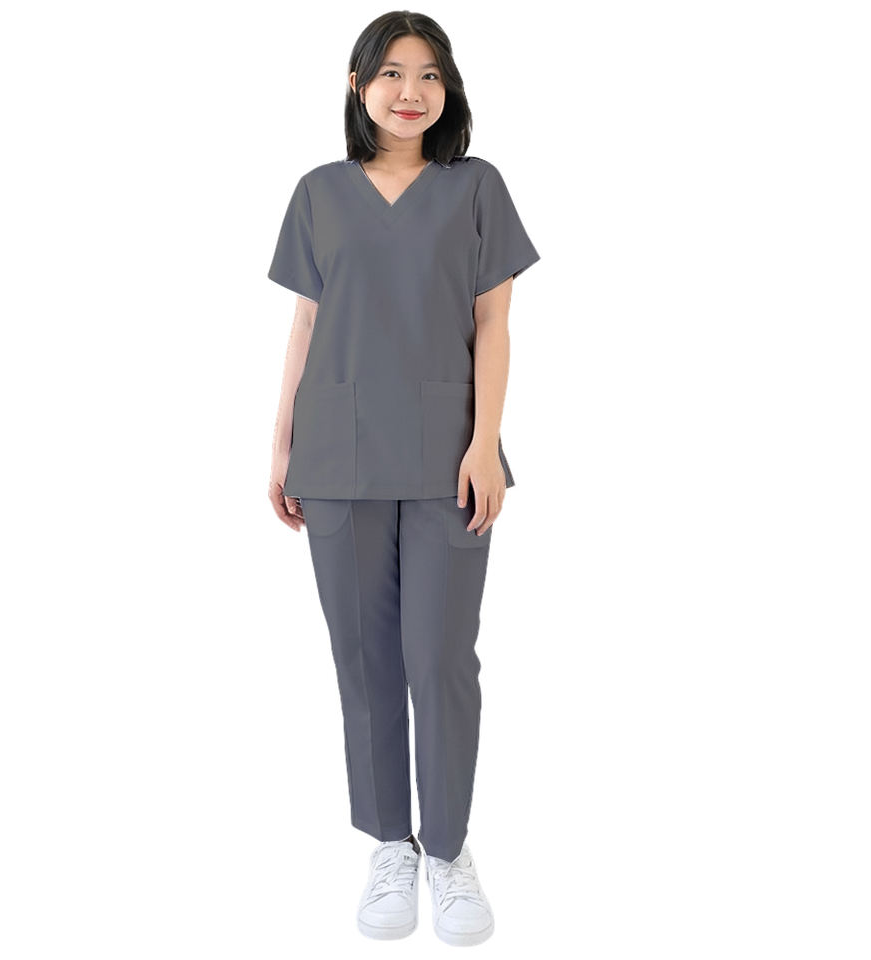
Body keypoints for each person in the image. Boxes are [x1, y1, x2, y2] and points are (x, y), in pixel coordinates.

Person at [266, 11, 539, 947]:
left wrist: (484, 442)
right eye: (390, 73)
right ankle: (391, 843)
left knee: (439, 657)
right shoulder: (318, 192)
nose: (410, 91)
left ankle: (449, 852)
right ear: (358, 86)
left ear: (447, 88)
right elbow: (307, 326)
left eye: (428, 73)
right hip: (336, 453)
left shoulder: (476, 187)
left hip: (445, 454)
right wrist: (280, 445)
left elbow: (494, 324)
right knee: (365, 659)